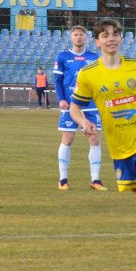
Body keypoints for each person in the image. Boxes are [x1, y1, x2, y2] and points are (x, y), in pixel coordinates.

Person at [68, 19, 136, 232]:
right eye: (105, 35)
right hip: (118, 144)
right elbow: (74, 108)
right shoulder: (89, 74)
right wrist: (84, 122)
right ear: (97, 42)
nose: (111, 38)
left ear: (121, 38)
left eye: (115, 34)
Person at [54, 25, 104, 190]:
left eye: (81, 35)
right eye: (75, 34)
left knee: (94, 138)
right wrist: (61, 99)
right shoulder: (63, 57)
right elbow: (58, 81)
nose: (79, 37)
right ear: (71, 38)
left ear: (86, 38)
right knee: (68, 139)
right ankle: (63, 179)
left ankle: (95, 180)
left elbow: (99, 80)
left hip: (91, 104)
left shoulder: (94, 57)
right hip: (70, 104)